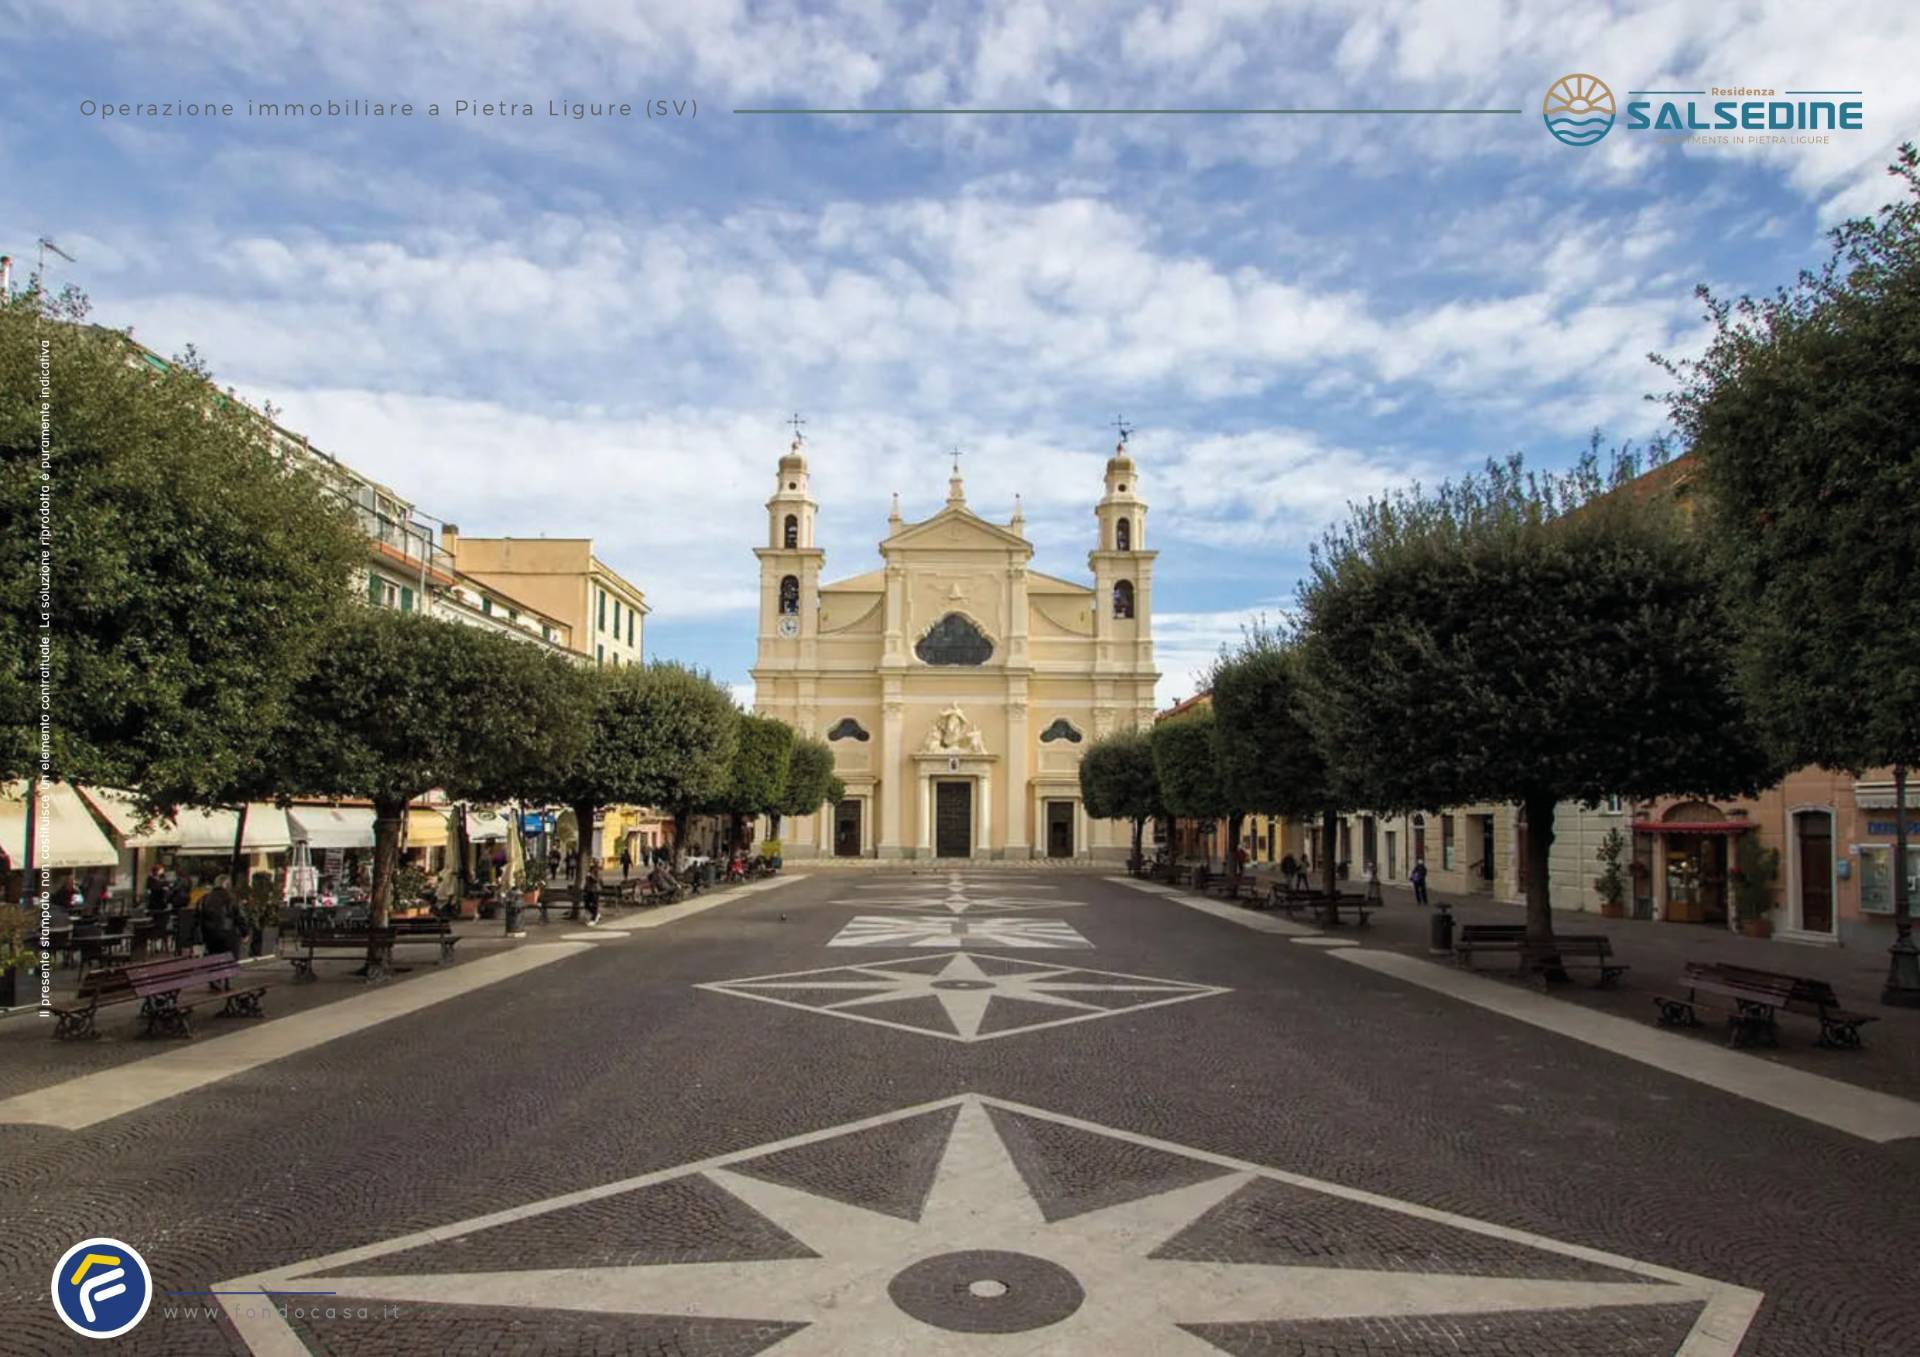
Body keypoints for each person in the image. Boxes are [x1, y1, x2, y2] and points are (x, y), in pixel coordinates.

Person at [197, 875, 240, 988]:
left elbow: (199, 917)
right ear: (226, 884)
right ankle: (226, 981)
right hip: (227, 933)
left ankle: (214, 980)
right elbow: (239, 915)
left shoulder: (205, 898)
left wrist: (202, 934)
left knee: (213, 957)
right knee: (227, 958)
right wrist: (244, 931)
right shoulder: (230, 897)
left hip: (210, 934)